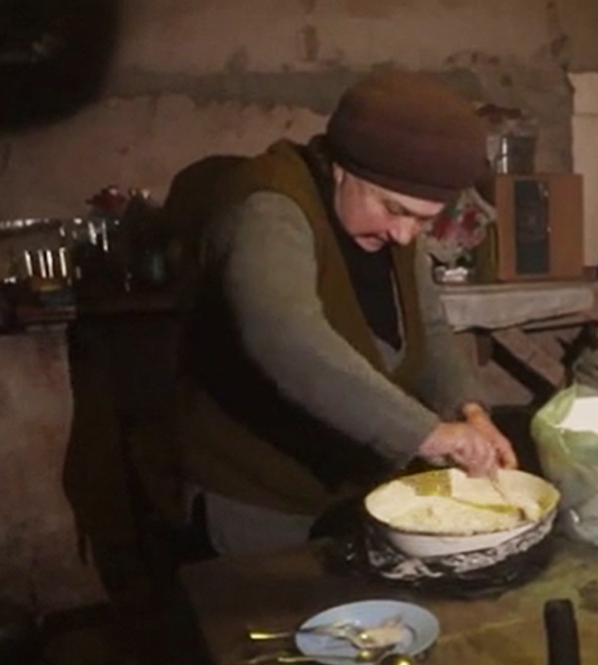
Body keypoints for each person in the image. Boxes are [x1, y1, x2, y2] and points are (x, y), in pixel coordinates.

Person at [163, 69, 518, 556]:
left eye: (424, 219)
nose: (405, 236)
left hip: (353, 490)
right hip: (261, 499)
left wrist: (468, 411)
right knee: (272, 628)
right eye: (393, 209)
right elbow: (285, 336)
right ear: (341, 168)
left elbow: (430, 330)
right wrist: (429, 435)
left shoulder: (396, 225)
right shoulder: (267, 207)